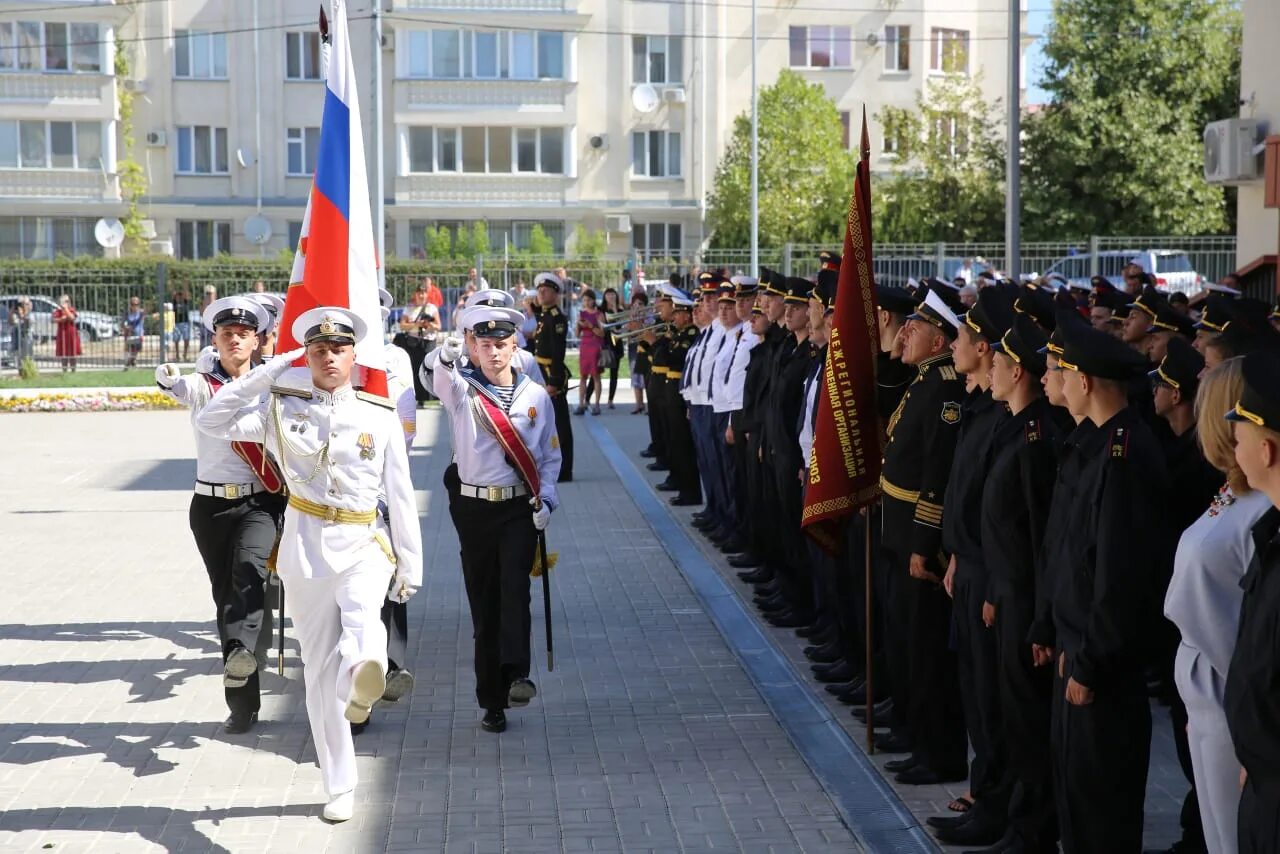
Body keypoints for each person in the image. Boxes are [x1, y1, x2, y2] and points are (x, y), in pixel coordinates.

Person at [194, 306, 422, 823]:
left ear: (354, 354)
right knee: (318, 672)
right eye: (318, 350)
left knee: (363, 618)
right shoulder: (279, 411)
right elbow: (211, 419)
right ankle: (339, 782)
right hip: (305, 546)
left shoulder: (378, 415)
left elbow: (402, 496)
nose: (329, 358)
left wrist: (412, 562)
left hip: (366, 539)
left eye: (338, 349)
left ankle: (366, 673)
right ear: (307, 356)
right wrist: (269, 371)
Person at [1049, 323, 1170, 853]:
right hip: (1079, 644)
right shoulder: (1095, 444)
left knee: (1102, 804)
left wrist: (1091, 658)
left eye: (1061, 372)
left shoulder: (1123, 454)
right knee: (1077, 794)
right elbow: (1070, 554)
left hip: (1104, 663)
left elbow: (1118, 573)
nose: (1055, 380)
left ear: (1087, 382)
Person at [154, 297, 285, 737]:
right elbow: (179, 387)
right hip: (210, 508)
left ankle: (240, 651)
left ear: (257, 341)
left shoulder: (271, 387)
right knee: (225, 593)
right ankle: (242, 698)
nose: (234, 340)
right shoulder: (203, 386)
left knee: (249, 574)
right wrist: (167, 378)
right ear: (215, 341)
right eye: (226, 334)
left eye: (243, 334)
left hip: (259, 502)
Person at [432, 303, 560, 735]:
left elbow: (549, 456)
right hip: (474, 510)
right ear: (473, 346)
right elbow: (437, 377)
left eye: (502, 345)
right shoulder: (462, 390)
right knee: (485, 604)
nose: (494, 353)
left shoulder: (535, 396)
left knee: (515, 591)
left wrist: (548, 500)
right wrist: (444, 356)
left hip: (517, 508)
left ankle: (517, 675)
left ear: (515, 346)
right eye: (484, 344)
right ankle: (491, 699)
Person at [1164, 357, 1266, 854]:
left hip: (1235, 695)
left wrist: (1248, 724)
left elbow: (1253, 622)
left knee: (1235, 838)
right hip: (1208, 694)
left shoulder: (1264, 506)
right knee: (1219, 836)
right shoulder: (1232, 490)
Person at [973, 314, 1062, 853]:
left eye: (1002, 363)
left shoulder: (1035, 437)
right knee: (1010, 712)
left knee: (1028, 720)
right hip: (1005, 592)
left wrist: (1036, 617)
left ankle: (1032, 829)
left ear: (1021, 373)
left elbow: (1035, 537)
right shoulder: (1013, 425)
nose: (994, 369)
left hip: (1024, 599)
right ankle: (1016, 818)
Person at [932, 286, 1014, 848]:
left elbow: (1003, 512)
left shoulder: (1003, 418)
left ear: (984, 349)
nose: (953, 346)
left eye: (960, 337)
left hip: (991, 572)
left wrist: (974, 561)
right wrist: (957, 553)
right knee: (975, 689)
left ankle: (996, 802)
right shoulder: (981, 407)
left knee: (993, 698)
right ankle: (984, 791)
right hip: (969, 564)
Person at [877, 283, 967, 782]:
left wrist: (923, 546)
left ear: (938, 341)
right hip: (897, 531)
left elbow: (936, 475)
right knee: (905, 643)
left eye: (915, 328)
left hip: (916, 538)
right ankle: (915, 735)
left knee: (926, 651)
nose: (903, 333)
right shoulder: (921, 380)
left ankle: (940, 753)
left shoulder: (945, 387)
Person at [1223, 349, 1280, 853]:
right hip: (1263, 777)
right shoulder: (1271, 534)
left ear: (1267, 452)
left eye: (1239, 438)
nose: (1232, 449)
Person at [533, 272, 573, 482]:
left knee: (560, 425)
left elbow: (558, 352)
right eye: (539, 290)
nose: (541, 293)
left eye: (545, 291)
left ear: (556, 294)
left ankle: (565, 470)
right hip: (541, 372)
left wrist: (554, 381)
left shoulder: (557, 318)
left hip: (551, 375)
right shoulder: (545, 315)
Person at [396, 285, 441, 404]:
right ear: (415, 294)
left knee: (429, 369)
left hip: (428, 342)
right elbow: (402, 325)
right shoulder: (409, 308)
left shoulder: (432, 308)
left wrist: (429, 325)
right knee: (415, 369)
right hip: (413, 342)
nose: (422, 296)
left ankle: (433, 397)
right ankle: (419, 398)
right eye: (419, 293)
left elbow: (438, 326)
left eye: (424, 293)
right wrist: (417, 325)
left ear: (427, 295)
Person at [574, 288, 604, 416]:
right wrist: (578, 324)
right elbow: (576, 334)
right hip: (584, 345)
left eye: (588, 300)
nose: (586, 302)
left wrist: (591, 326)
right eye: (584, 300)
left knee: (596, 376)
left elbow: (602, 333)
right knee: (583, 376)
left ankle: (597, 404)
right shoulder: (581, 314)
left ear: (593, 300)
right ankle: (581, 404)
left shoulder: (599, 314)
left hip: (595, 345)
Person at [600, 287, 625, 409]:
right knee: (597, 372)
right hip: (604, 343)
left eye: (613, 294)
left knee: (614, 374)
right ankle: (588, 399)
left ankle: (610, 399)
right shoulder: (601, 310)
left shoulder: (620, 310)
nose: (611, 297)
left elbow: (620, 327)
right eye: (608, 294)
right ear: (604, 297)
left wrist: (615, 309)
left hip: (617, 344)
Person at [626, 291, 650, 414]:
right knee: (635, 376)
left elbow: (647, 331)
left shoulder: (649, 316)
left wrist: (640, 321)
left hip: (645, 348)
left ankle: (648, 404)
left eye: (640, 304)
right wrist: (632, 319)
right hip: (633, 347)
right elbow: (627, 331)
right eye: (635, 304)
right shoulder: (631, 316)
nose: (637, 306)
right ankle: (638, 404)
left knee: (645, 377)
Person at [52, 294, 81, 372]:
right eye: (65, 301)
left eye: (68, 301)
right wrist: (62, 319)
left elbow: (72, 317)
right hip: (62, 333)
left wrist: (66, 310)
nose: (66, 303)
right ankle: (64, 370)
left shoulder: (71, 309)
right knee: (63, 353)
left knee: (72, 352)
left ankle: (73, 370)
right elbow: (53, 320)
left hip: (71, 333)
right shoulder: (58, 311)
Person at [122, 296, 145, 368]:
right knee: (128, 348)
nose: (134, 306)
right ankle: (130, 361)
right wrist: (126, 327)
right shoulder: (127, 313)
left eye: (136, 304)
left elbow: (141, 319)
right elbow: (122, 323)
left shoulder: (141, 313)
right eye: (133, 304)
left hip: (139, 333)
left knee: (137, 349)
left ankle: (131, 360)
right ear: (130, 305)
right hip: (129, 334)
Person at [172, 289, 194, 361]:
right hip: (177, 323)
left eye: (181, 296)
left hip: (185, 323)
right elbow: (173, 291)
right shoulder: (174, 303)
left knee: (186, 339)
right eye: (178, 296)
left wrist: (184, 281)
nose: (179, 297)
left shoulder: (185, 302)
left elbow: (186, 293)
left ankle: (185, 355)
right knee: (176, 340)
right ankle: (177, 355)